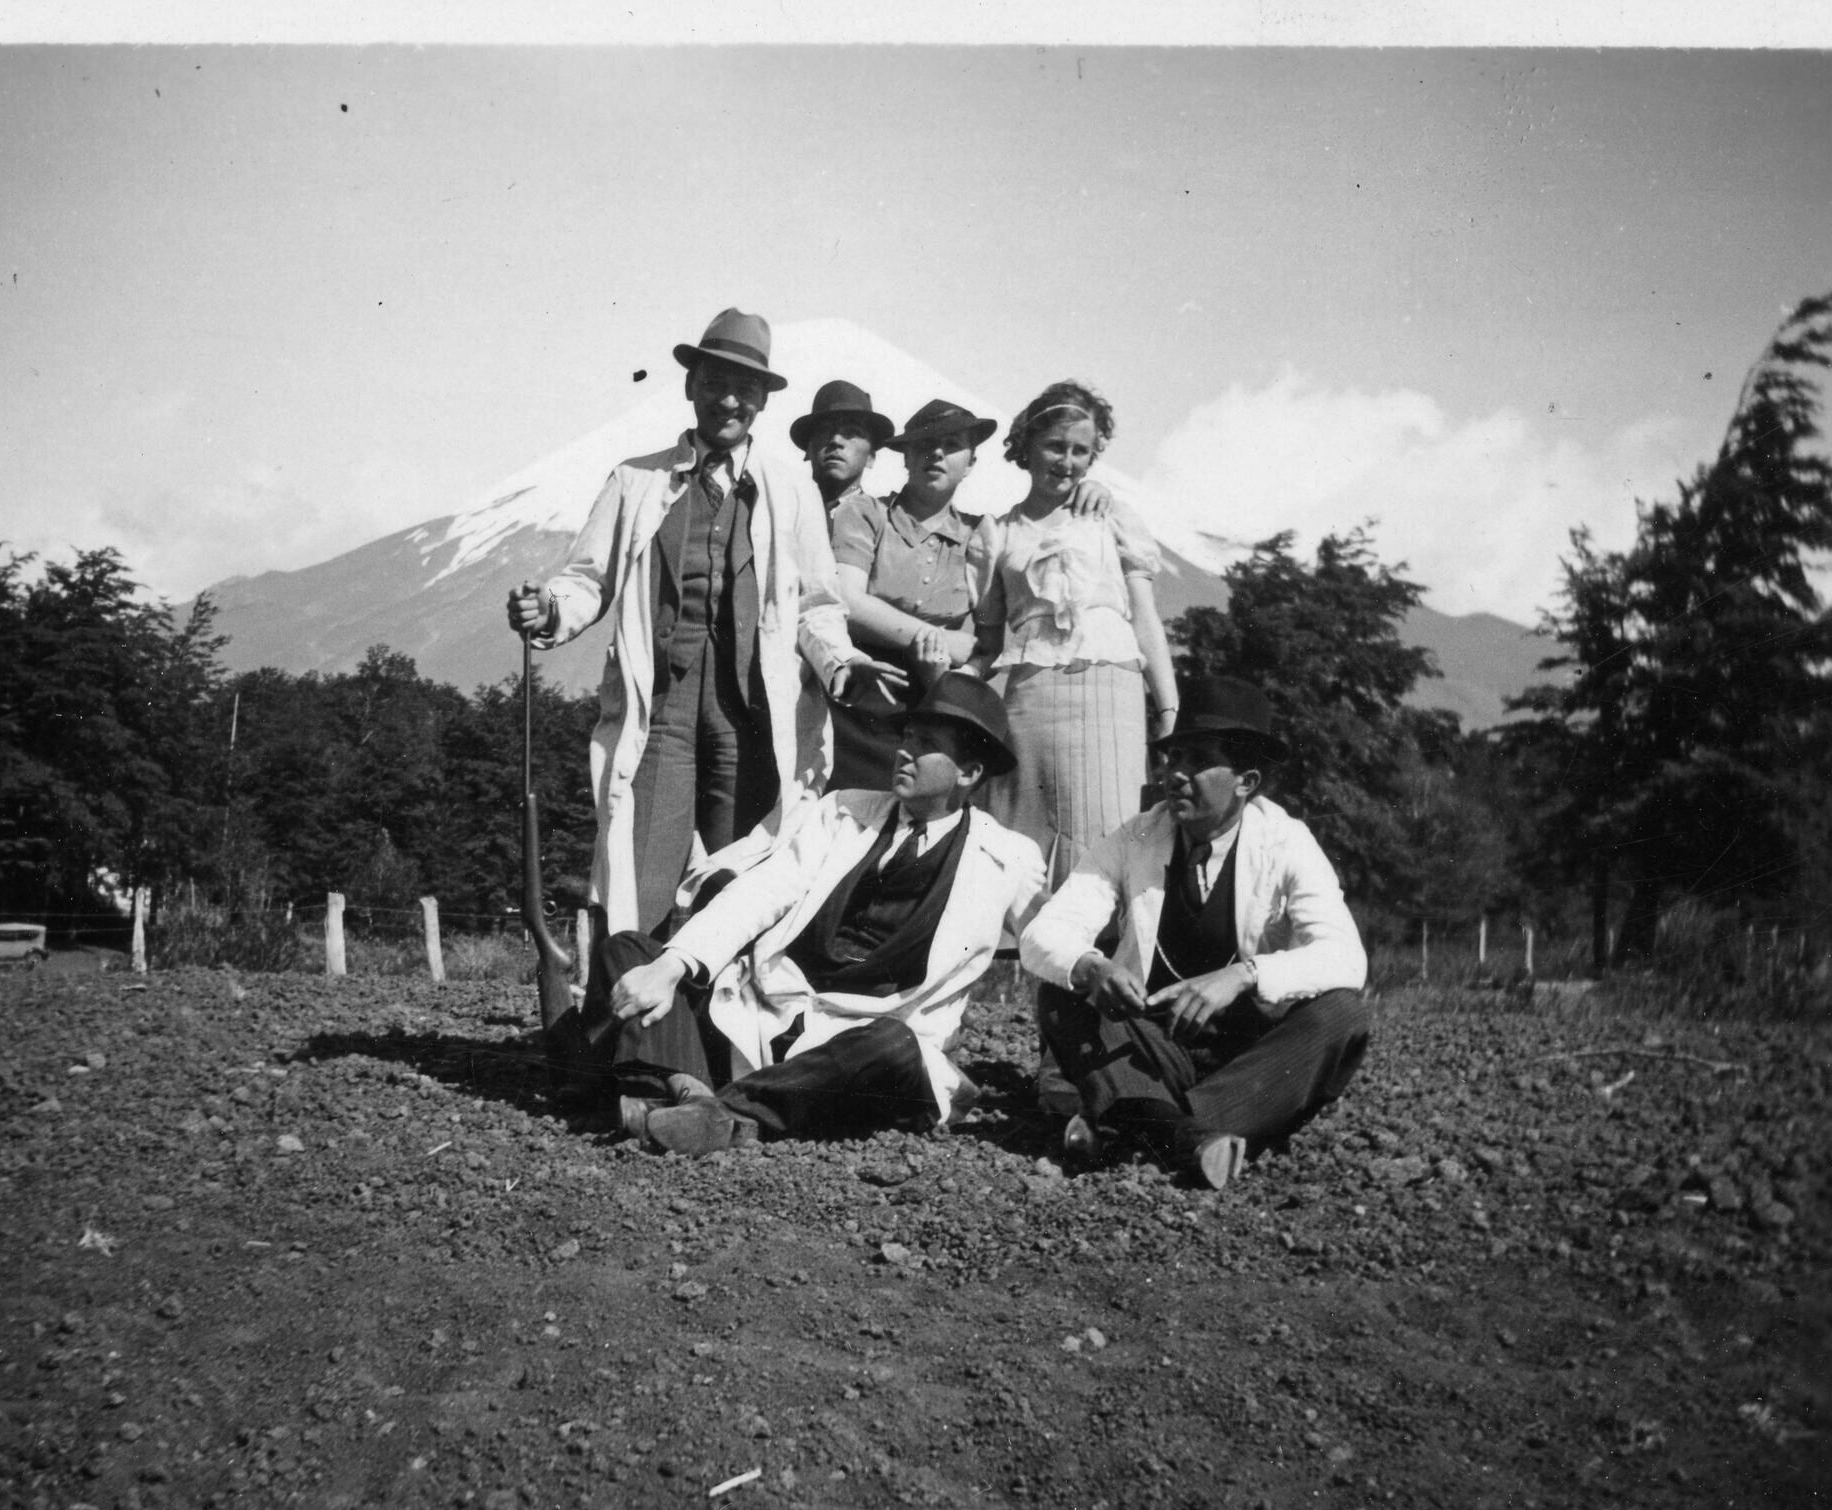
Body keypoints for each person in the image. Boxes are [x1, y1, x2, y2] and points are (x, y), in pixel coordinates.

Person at [506, 309, 861, 943]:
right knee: (639, 872)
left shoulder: (790, 491)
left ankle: (718, 1037)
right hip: (661, 714)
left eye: (746, 388)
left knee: (741, 877)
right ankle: (625, 1025)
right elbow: (588, 578)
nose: (730, 399)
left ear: (762, 400)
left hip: (751, 719)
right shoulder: (635, 480)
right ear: (691, 384)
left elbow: (815, 604)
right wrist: (551, 608)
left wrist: (840, 664)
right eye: (717, 381)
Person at [587, 673, 1047, 1155]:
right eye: (906, 737)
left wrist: (1094, 967)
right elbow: (762, 891)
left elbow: (1050, 939)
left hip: (857, 1051)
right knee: (629, 950)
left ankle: (699, 1105)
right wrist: (670, 965)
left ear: (969, 773)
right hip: (767, 1013)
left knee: (892, 1046)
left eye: (925, 744)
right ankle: (698, 1099)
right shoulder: (842, 812)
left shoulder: (1008, 856)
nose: (904, 751)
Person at [1020, 675, 1370, 1191]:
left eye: (1197, 759)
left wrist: (1245, 975)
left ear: (1246, 781)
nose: (1175, 774)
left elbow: (1346, 957)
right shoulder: (1134, 836)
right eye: (1171, 757)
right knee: (1061, 989)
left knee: (1344, 1012)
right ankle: (1196, 1139)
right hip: (1151, 1047)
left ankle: (1137, 1124)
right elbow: (1046, 931)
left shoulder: (1286, 841)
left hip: (1247, 1055)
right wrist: (1093, 967)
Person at [966, 379, 1180, 882]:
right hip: (1032, 697)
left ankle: (1105, 953)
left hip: (1109, 691)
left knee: (1110, 829)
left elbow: (1144, 618)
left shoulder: (1111, 518)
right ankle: (1028, 955)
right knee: (1025, 834)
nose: (1066, 462)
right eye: (1055, 446)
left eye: (1079, 451)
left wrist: (1168, 708)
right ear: (1027, 447)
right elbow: (988, 641)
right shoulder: (998, 533)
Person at [824, 398, 998, 792]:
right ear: (905, 457)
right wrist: (943, 640)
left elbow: (989, 644)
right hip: (858, 695)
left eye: (952, 444)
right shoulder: (866, 513)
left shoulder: (980, 537)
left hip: (931, 705)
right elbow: (848, 602)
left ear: (971, 463)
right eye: (923, 444)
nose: (935, 453)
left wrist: (950, 678)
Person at [789, 378, 893, 516]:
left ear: (871, 456)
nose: (835, 440)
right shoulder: (784, 511)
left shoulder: (883, 523)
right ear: (808, 449)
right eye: (824, 430)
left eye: (852, 433)